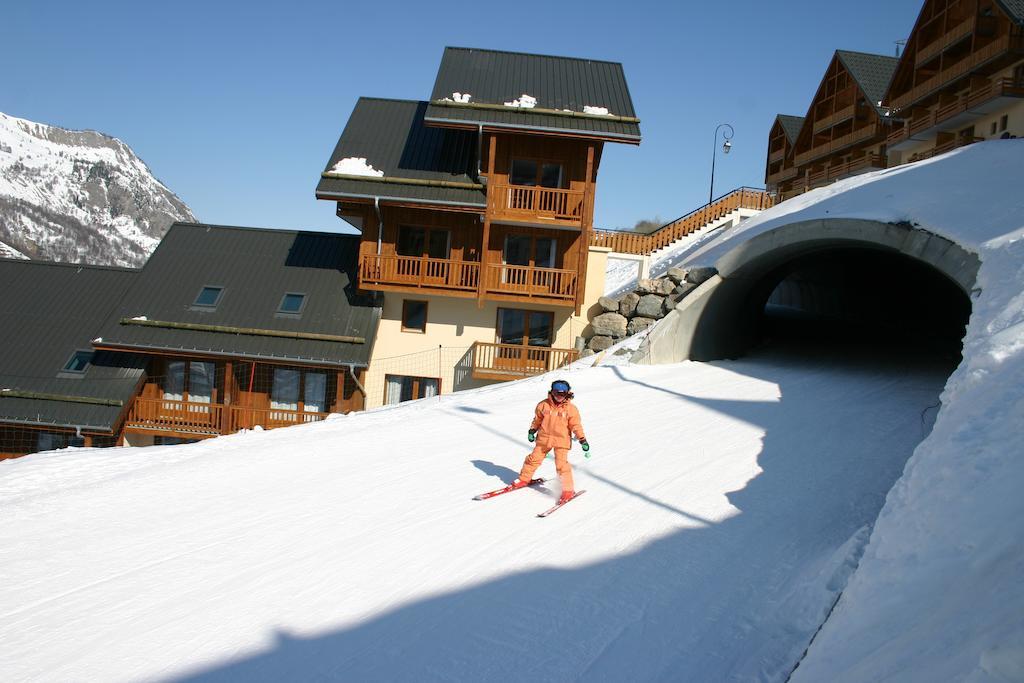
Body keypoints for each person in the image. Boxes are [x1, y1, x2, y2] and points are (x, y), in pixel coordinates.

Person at [510, 379, 590, 504]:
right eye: (556, 393)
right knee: (533, 459)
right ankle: (524, 479)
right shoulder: (543, 405)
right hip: (543, 439)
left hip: (561, 441)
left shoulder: (571, 409)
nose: (559, 396)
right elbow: (537, 420)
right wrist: (532, 431)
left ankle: (568, 490)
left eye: (562, 394)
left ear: (567, 394)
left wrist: (582, 440)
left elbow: (576, 426)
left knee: (561, 465)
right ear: (551, 392)